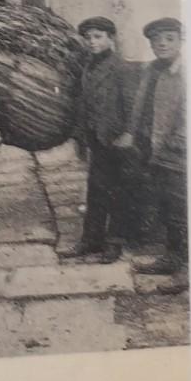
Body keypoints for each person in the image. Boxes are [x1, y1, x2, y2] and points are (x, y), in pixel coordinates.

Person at [117, 18, 188, 293]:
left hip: (177, 154)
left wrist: (178, 141)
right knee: (166, 209)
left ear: (180, 41)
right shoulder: (151, 70)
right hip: (153, 151)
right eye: (157, 40)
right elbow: (140, 107)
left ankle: (187, 271)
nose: (162, 44)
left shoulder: (186, 73)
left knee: (182, 211)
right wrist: (131, 133)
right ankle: (172, 258)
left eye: (169, 38)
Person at [62, 17, 138, 264]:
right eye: (88, 38)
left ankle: (114, 242)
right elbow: (84, 103)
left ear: (110, 38)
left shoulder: (121, 67)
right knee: (96, 189)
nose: (92, 42)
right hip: (97, 137)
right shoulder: (89, 66)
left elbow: (132, 104)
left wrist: (128, 133)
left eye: (98, 37)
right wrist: (81, 134)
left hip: (116, 138)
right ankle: (91, 240)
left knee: (116, 191)